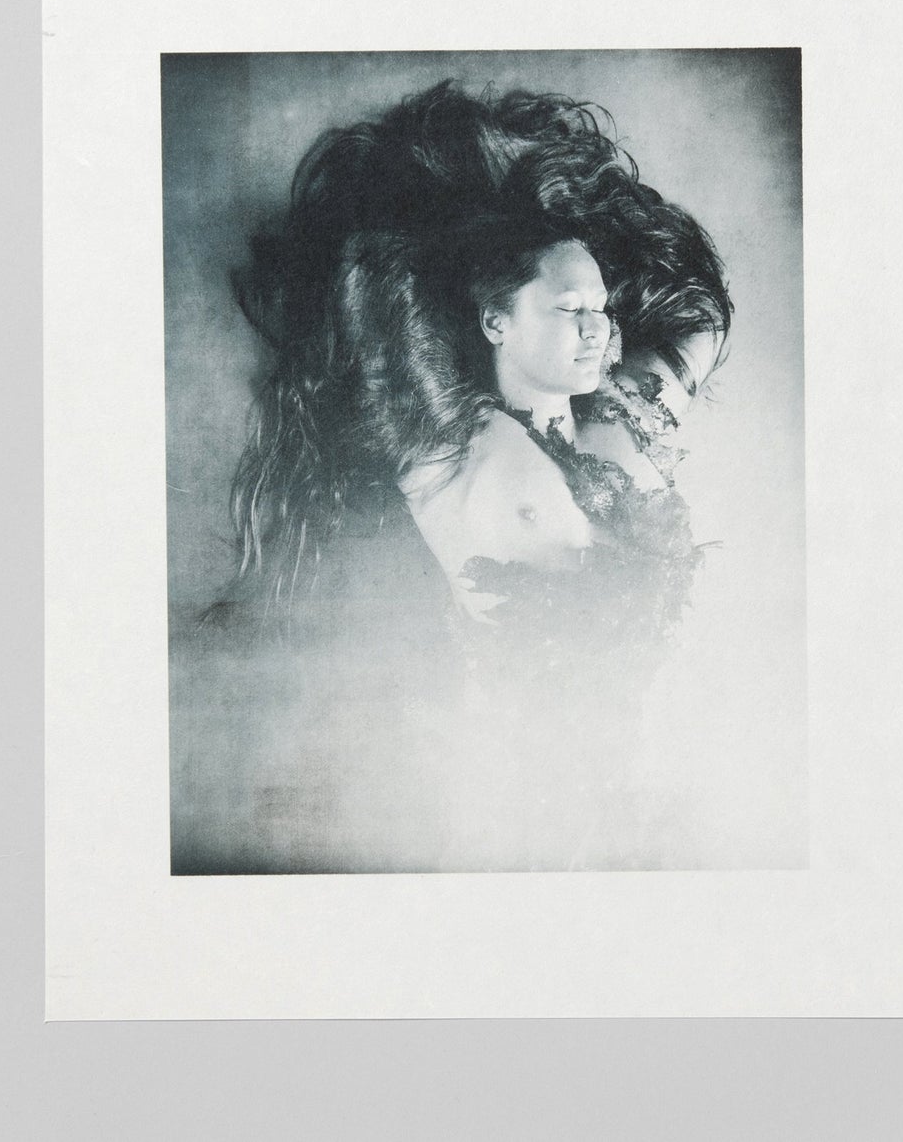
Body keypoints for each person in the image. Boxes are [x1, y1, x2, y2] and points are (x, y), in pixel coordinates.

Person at [199, 79, 731, 870]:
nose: (595, 330)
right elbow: (375, 282)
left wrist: (580, 224)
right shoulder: (453, 449)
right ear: (493, 320)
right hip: (511, 830)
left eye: (601, 311)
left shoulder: (622, 426)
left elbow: (700, 318)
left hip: (625, 814)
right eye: (569, 310)